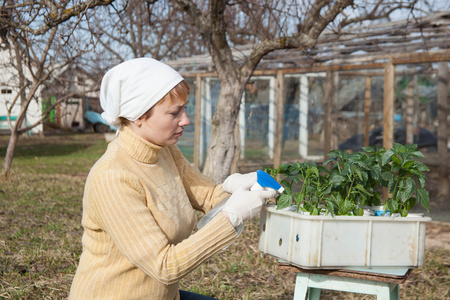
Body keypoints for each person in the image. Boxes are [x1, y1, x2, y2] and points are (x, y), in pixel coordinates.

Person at [69, 58, 277, 300]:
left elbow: (208, 196)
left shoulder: (165, 150)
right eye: (174, 112)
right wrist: (231, 217)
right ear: (137, 116)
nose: (185, 120)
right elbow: (164, 267)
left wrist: (236, 187)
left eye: (184, 108)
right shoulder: (113, 178)